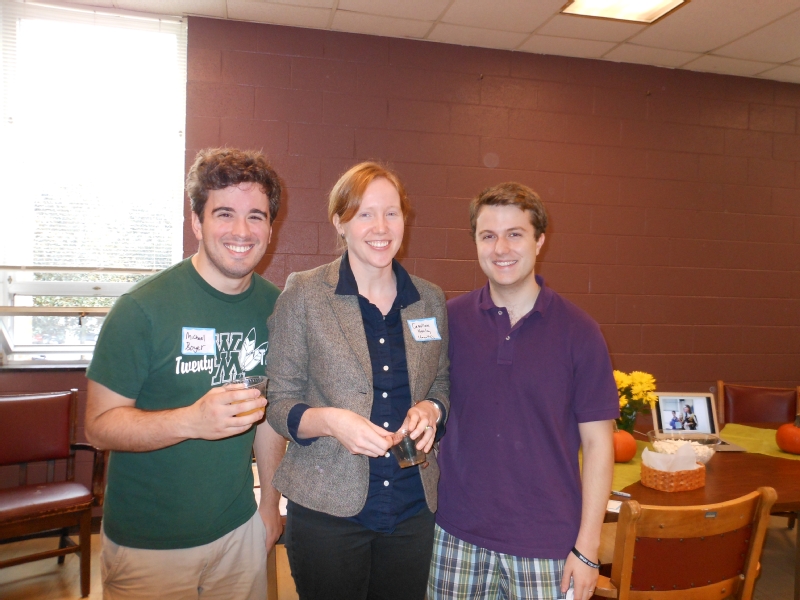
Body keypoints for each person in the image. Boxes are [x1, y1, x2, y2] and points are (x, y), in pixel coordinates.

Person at [85, 148, 287, 600]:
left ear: (270, 229)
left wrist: (269, 505)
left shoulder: (276, 308)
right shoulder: (142, 309)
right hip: (149, 547)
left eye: (255, 216)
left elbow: (269, 419)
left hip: (239, 533)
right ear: (196, 222)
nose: (241, 230)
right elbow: (99, 427)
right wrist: (190, 421)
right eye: (224, 214)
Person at [266, 162, 449, 600]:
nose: (380, 227)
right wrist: (331, 421)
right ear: (340, 223)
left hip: (411, 509)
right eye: (364, 214)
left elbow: (442, 382)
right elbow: (278, 401)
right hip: (328, 511)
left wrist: (432, 409)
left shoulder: (429, 299)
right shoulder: (305, 294)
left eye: (391, 213)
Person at [429, 182, 619, 600]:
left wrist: (588, 549)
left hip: (548, 545)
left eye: (515, 234)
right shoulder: (450, 321)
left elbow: (599, 445)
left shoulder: (581, 332)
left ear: (539, 241)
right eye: (488, 235)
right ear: (476, 242)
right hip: (455, 535)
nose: (501, 248)